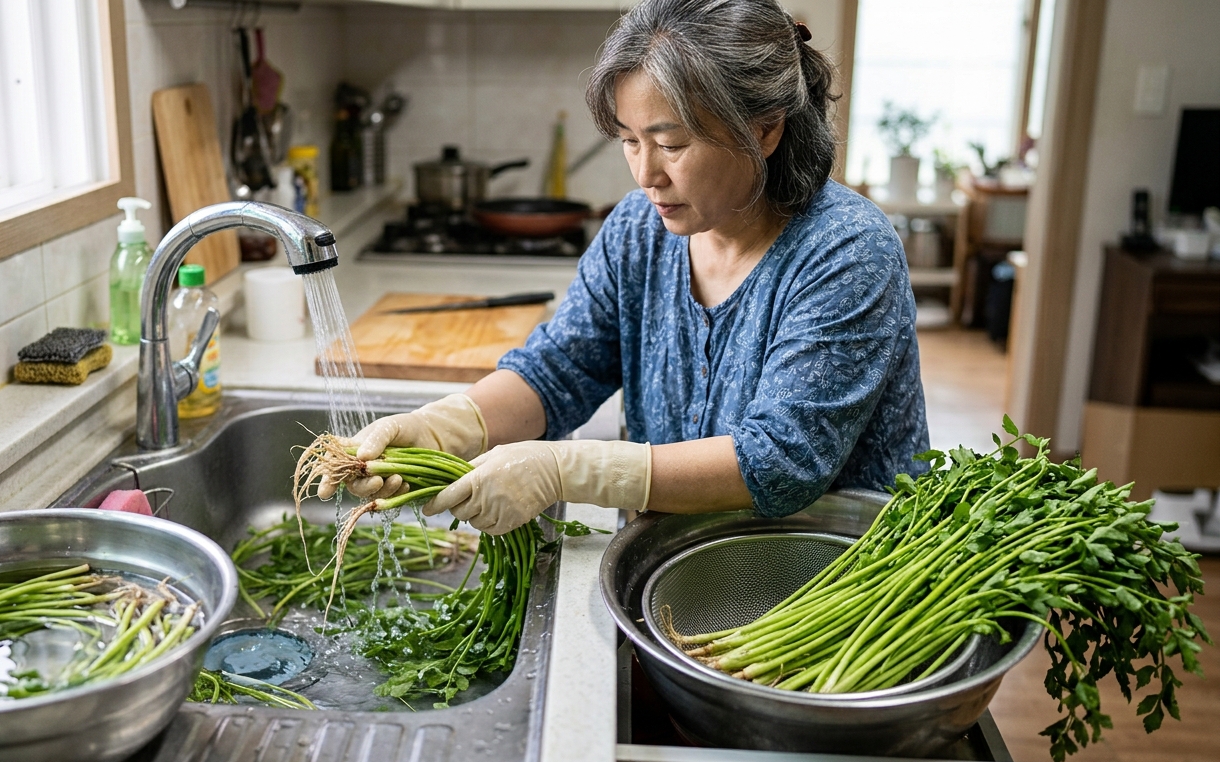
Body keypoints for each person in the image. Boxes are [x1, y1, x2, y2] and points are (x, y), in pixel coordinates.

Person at [335, 0, 929, 535]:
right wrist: (447, 427)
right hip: (680, 573)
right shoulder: (638, 229)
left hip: (831, 587)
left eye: (671, 145)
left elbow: (781, 461)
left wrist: (570, 469)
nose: (646, 174)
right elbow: (561, 369)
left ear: (765, 129)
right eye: (629, 140)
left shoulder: (847, 251)